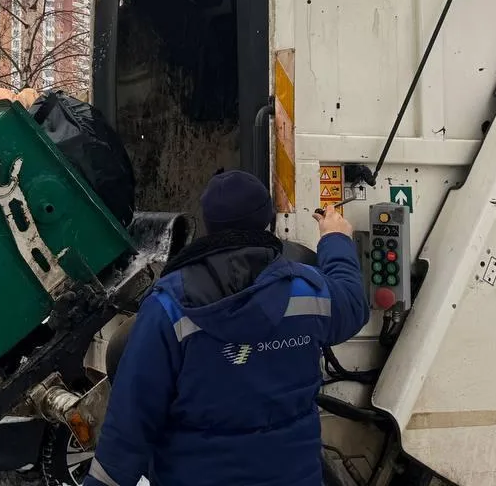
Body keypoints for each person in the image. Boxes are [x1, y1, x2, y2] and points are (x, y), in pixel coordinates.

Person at [86, 170, 367, 486]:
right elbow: (353, 305)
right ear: (266, 221)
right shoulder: (305, 291)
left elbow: (129, 425)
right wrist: (336, 239)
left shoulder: (170, 306)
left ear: (208, 223)